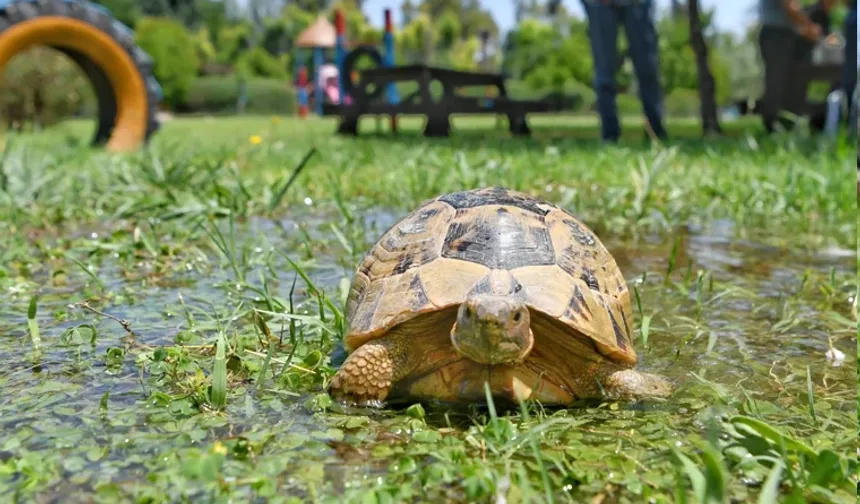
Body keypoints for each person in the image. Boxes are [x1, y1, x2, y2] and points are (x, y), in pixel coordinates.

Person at [580, 0, 669, 143]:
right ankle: (609, 134)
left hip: (637, 3)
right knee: (604, 74)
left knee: (648, 70)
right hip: (598, 4)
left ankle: (656, 131)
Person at [757, 0, 836, 133]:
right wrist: (810, 26)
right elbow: (790, 6)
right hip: (776, 34)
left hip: (785, 34)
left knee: (789, 82)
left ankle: (787, 123)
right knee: (776, 81)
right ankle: (771, 125)